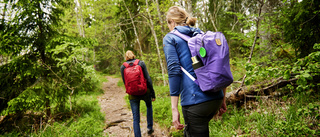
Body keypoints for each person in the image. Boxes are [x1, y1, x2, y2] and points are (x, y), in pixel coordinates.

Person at [162, 6, 227, 137]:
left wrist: (174, 108)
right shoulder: (201, 34)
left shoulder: (170, 38)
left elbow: (174, 71)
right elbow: (219, 64)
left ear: (172, 22)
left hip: (195, 103)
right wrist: (223, 98)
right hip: (216, 98)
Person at [120, 50, 156, 137]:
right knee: (149, 106)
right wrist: (152, 93)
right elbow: (148, 79)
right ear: (133, 55)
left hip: (132, 94)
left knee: (135, 118)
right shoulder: (141, 63)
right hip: (144, 91)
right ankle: (150, 127)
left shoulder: (123, 67)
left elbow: (125, 82)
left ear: (126, 57)